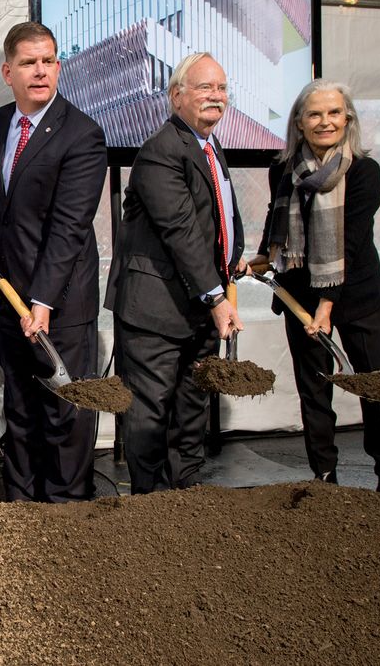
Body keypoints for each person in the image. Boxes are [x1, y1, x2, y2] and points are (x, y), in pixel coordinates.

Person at [250, 79, 380, 494]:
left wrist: (327, 305)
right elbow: (276, 221)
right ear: (299, 123)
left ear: (347, 119)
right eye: (315, 114)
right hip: (299, 296)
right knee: (315, 391)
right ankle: (325, 478)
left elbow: (351, 243)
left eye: (334, 113)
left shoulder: (364, 172)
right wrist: (262, 257)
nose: (326, 121)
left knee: (377, 388)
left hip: (356, 296)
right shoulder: (282, 168)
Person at [0, 22, 107, 503]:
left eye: (48, 61)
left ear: (58, 67)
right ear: (8, 71)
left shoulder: (83, 135)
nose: (40, 71)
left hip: (60, 302)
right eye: (28, 63)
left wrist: (44, 300)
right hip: (9, 296)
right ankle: (22, 507)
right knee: (21, 407)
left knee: (64, 412)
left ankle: (66, 511)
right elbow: (1, 197)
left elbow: (69, 229)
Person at [104, 52, 246, 495]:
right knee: (149, 413)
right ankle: (150, 507)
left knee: (191, 408)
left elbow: (213, 219)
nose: (216, 97)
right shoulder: (161, 149)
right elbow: (180, 230)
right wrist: (217, 297)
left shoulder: (208, 145)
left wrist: (232, 256)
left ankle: (186, 500)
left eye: (221, 89)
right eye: (205, 88)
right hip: (155, 310)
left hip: (197, 306)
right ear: (176, 95)